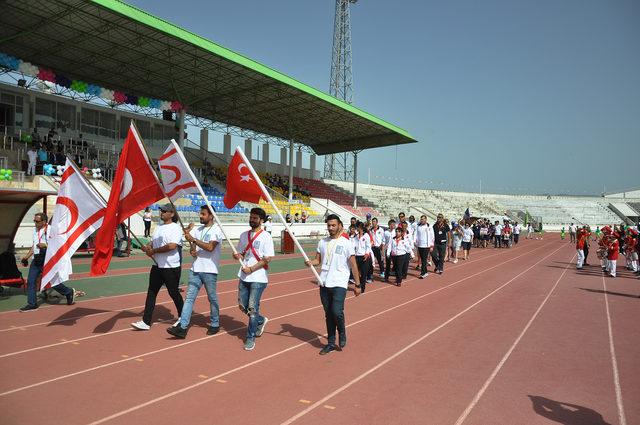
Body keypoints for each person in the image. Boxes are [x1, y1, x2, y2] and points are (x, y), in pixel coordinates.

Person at [305, 214, 361, 355]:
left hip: (340, 282)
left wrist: (357, 285)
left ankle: (341, 331)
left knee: (336, 311)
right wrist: (311, 262)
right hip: (324, 282)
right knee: (328, 314)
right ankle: (330, 342)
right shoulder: (322, 242)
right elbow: (318, 260)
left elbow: (353, 265)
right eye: (329, 225)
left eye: (333, 225)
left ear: (339, 225)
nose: (330, 228)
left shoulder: (346, 243)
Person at [167, 206, 223, 339]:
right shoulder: (198, 229)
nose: (200, 216)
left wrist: (192, 239)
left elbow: (210, 247)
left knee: (212, 298)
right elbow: (194, 250)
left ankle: (215, 323)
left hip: (209, 270)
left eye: (203, 214)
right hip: (196, 269)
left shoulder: (216, 230)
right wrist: (191, 244)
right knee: (189, 298)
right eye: (200, 214)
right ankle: (182, 327)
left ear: (211, 216)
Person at [131, 203, 184, 330]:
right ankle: (146, 321)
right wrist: (148, 246)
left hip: (171, 267)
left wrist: (154, 251)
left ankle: (183, 316)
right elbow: (154, 242)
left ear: (171, 213)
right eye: (161, 211)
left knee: (174, 292)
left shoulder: (175, 228)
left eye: (165, 211)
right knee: (151, 292)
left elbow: (172, 246)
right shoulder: (159, 227)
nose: (162, 213)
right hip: (157, 265)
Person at [233, 207, 274, 351]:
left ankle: (250, 338)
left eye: (255, 218)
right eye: (251, 217)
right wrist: (238, 256)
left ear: (261, 220)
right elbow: (242, 254)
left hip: (258, 277)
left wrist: (251, 269)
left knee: (252, 308)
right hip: (244, 276)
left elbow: (267, 259)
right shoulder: (244, 235)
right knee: (243, 306)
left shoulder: (266, 237)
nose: (252, 220)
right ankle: (261, 320)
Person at [19, 213, 76, 312]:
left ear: (44, 222)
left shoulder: (51, 230)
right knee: (31, 281)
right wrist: (26, 257)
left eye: (37, 221)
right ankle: (32, 304)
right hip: (36, 259)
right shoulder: (35, 230)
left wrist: (45, 245)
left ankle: (68, 291)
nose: (35, 223)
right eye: (34, 221)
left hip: (47, 258)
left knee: (52, 282)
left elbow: (57, 245)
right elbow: (34, 246)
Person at [353, 221, 372, 293]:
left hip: (364, 256)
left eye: (357, 227)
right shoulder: (356, 236)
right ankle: (358, 285)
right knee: (357, 273)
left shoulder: (366, 235)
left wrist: (367, 254)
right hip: (357, 256)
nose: (356, 228)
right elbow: (353, 246)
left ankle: (362, 288)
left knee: (363, 273)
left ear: (360, 227)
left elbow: (368, 246)